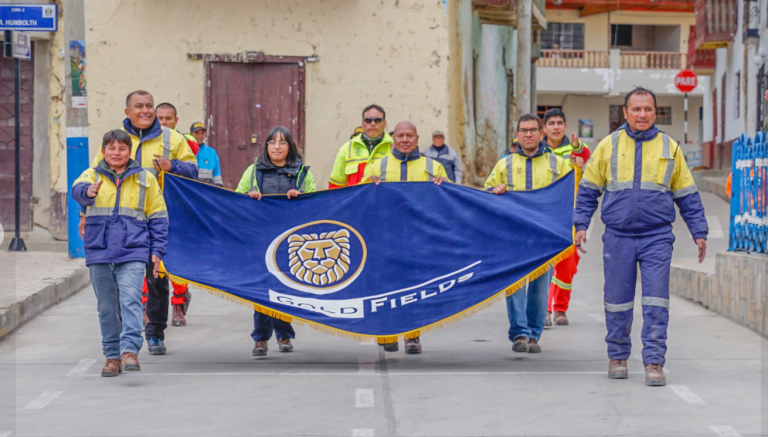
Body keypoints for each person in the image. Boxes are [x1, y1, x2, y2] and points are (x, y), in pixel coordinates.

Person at [574, 87, 708, 386]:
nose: (642, 114)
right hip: (618, 237)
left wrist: (698, 231)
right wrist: (581, 223)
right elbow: (588, 190)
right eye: (636, 109)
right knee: (617, 300)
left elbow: (687, 194)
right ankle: (618, 356)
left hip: (657, 237)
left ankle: (654, 362)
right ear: (625, 112)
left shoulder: (670, 147)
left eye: (648, 109)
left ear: (655, 112)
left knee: (656, 301)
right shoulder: (608, 146)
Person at [88, 90, 197, 356]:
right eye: (139, 106)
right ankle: (124, 338)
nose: (146, 110)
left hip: (158, 219)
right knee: (118, 284)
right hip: (121, 224)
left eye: (149, 105)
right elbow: (94, 180)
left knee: (157, 278)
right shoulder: (114, 140)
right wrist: (84, 214)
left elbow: (194, 171)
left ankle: (156, 334)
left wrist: (173, 166)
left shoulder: (172, 138)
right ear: (128, 112)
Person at [71, 130, 168, 377]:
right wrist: (88, 193)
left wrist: (157, 250)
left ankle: (129, 351)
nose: (116, 153)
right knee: (106, 307)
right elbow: (77, 190)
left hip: (133, 251)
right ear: (103, 151)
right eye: (111, 148)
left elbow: (158, 217)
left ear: (130, 152)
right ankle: (112, 355)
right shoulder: (91, 174)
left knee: (131, 301)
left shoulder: (146, 179)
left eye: (122, 149)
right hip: (99, 251)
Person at [484, 114, 572, 354]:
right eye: (524, 130)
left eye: (533, 130)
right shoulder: (505, 164)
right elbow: (487, 193)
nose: (529, 134)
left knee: (539, 288)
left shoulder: (558, 164)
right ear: (517, 135)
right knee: (514, 286)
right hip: (513, 236)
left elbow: (571, 192)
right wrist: (495, 189)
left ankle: (534, 334)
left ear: (541, 133)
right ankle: (519, 333)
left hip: (545, 237)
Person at [363, 121, 448, 354]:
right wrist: (367, 185)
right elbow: (359, 200)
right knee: (385, 288)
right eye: (400, 135)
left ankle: (413, 336)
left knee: (414, 288)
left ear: (417, 138)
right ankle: (387, 334)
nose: (404, 139)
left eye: (409, 135)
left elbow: (449, 201)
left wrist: (443, 186)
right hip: (384, 237)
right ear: (393, 138)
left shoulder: (434, 167)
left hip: (419, 239)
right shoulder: (377, 167)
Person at [235, 126, 316, 357]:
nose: (277, 146)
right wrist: (249, 198)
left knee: (283, 289)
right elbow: (236, 200)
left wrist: (300, 198)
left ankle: (283, 334)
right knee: (262, 289)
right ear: (266, 146)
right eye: (272, 142)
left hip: (290, 242)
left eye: (282, 142)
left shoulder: (303, 173)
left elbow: (314, 206)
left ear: (290, 146)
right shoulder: (253, 171)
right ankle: (260, 338)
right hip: (259, 239)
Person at [541, 108, 592, 327]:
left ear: (565, 126)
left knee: (567, 264)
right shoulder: (537, 149)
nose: (555, 127)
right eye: (551, 123)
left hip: (569, 214)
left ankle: (560, 309)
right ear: (544, 128)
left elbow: (585, 156)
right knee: (542, 264)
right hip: (542, 214)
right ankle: (543, 310)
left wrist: (578, 147)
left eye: (559, 123)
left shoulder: (574, 148)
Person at [152, 103, 201, 327]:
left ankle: (178, 303)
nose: (163, 122)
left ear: (176, 120)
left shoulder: (184, 142)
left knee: (176, 256)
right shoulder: (143, 140)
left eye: (168, 118)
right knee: (148, 257)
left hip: (177, 207)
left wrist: (171, 165)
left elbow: (192, 169)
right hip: (149, 207)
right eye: (159, 118)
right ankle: (146, 305)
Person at [328, 104, 393, 188]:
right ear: (362, 123)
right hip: (356, 201)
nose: (372, 124)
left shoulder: (394, 147)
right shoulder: (347, 148)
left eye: (377, 120)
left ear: (384, 123)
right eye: (368, 120)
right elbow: (335, 187)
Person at [189, 122, 223, 186]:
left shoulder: (212, 152)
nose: (200, 136)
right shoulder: (186, 150)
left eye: (202, 133)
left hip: (207, 190)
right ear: (191, 134)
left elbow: (217, 177)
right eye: (196, 133)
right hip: (191, 187)